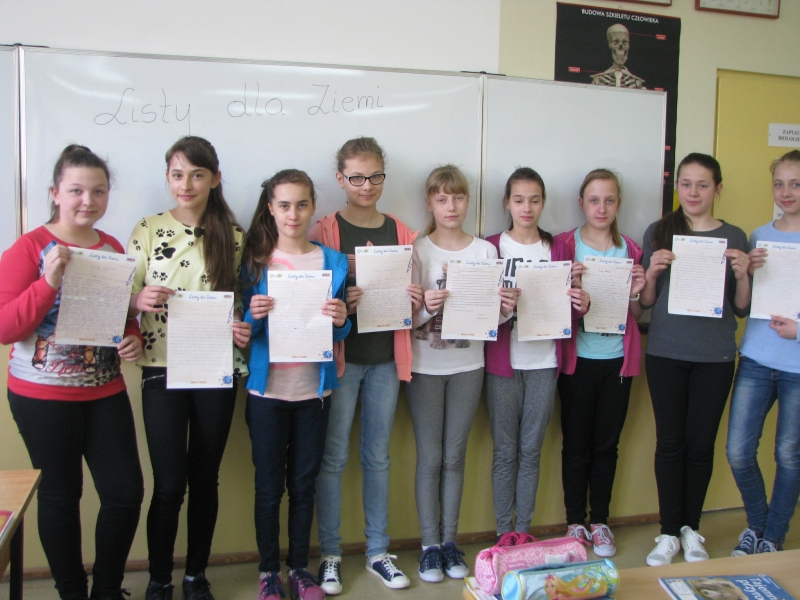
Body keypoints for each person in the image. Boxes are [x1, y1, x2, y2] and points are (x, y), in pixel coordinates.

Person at [0, 145, 144, 600]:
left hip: (105, 391)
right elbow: (6, 328)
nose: (88, 200)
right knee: (61, 496)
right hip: (41, 397)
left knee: (124, 493)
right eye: (77, 190)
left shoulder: (112, 247)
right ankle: (71, 592)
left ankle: (107, 589)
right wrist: (48, 282)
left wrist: (132, 335)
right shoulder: (29, 248)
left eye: (98, 191)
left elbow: (120, 315)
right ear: (55, 193)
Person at [127, 136, 251, 600]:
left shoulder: (232, 235)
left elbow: (244, 301)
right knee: (168, 484)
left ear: (214, 179)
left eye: (197, 174)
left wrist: (242, 325)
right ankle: (159, 578)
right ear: (167, 177)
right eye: (177, 174)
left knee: (204, 479)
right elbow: (122, 295)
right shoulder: (147, 228)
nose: (186, 184)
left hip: (215, 368)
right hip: (161, 367)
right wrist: (137, 299)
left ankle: (196, 575)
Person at [310, 137, 421, 593]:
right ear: (341, 179)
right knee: (333, 457)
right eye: (356, 177)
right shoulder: (324, 231)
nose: (366, 185)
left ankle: (378, 551)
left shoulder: (402, 233)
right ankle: (331, 554)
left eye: (375, 176)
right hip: (342, 361)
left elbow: (413, 303)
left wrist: (415, 300)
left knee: (378, 457)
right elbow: (307, 300)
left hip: (384, 361)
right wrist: (342, 300)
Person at [241, 169, 351, 600]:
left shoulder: (332, 261)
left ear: (313, 208)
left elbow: (340, 330)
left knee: (304, 485)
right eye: (284, 205)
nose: (293, 214)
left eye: (302, 205)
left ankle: (300, 570)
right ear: (271, 208)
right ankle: (269, 572)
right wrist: (253, 315)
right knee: (269, 487)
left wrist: (341, 321)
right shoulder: (256, 260)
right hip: (267, 393)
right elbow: (244, 331)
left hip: (314, 393)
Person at [408, 165, 518, 583]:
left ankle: (450, 542)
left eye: (457, 198)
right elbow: (405, 317)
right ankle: (429, 545)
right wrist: (426, 307)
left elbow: (492, 320)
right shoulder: (418, 250)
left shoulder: (485, 253)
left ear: (467, 201)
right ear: (429, 203)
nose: (450, 206)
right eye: (441, 199)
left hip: (469, 366)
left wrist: (505, 310)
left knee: (455, 456)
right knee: (430, 457)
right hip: (424, 365)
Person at [640, 153, 751, 566]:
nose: (693, 192)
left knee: (701, 445)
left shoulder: (734, 236)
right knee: (670, 443)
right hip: (666, 352)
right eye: (686, 184)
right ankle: (668, 532)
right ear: (677, 187)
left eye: (702, 185)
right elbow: (645, 302)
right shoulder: (660, 231)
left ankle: (691, 530)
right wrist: (652, 272)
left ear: (717, 189)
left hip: (715, 355)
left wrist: (742, 274)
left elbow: (741, 308)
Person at [484, 168, 588, 546]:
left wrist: (581, 302)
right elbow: (476, 310)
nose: (526, 208)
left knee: (531, 451)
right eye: (518, 200)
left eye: (534, 200)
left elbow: (568, 313)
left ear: (543, 203)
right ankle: (503, 533)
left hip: (544, 362)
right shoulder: (491, 248)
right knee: (504, 451)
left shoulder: (558, 249)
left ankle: (523, 531)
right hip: (503, 365)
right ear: (507, 203)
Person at [555, 169, 645, 557]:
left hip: (617, 361)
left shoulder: (631, 250)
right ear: (582, 203)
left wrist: (638, 292)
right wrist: (568, 286)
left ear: (618, 204)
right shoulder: (564, 245)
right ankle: (575, 521)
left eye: (609, 200)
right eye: (594, 200)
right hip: (578, 361)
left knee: (607, 445)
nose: (601, 208)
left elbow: (637, 313)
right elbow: (547, 305)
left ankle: (601, 522)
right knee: (576, 444)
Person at [726, 150, 800, 555]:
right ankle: (757, 524)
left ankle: (772, 537)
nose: (786, 192)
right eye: (779, 184)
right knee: (738, 452)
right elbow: (747, 301)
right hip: (755, 358)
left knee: (788, 455)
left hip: (797, 367)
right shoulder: (759, 236)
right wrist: (746, 272)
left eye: (796, 184)